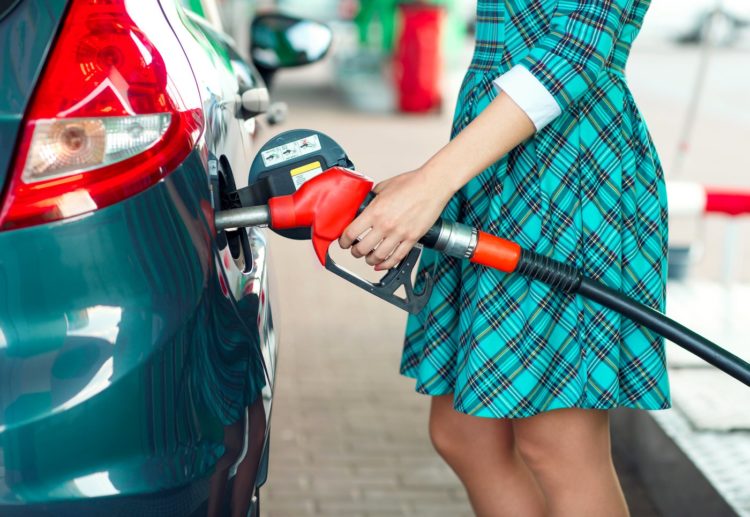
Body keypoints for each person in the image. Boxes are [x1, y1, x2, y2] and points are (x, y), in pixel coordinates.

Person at [339, 1, 671, 515]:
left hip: (567, 178)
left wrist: (432, 182)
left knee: (558, 446)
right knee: (463, 433)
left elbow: (578, 50)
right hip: (496, 167)